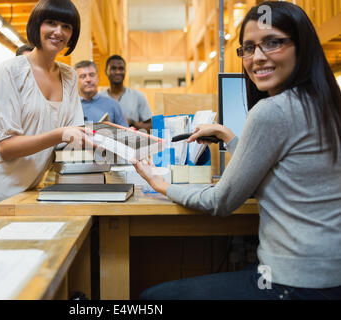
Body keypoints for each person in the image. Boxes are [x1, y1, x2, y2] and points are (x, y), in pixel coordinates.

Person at [132, 1, 341, 300]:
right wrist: (230, 137)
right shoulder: (325, 104)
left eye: (272, 43)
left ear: (301, 46)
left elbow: (221, 201)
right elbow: (286, 171)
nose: (257, 57)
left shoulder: (273, 110)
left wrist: (161, 184)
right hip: (328, 277)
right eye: (248, 48)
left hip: (294, 284)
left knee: (152, 298)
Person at [0, 0, 92, 234]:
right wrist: (60, 134)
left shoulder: (69, 76)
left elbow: (73, 137)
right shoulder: (11, 71)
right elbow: (5, 147)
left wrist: (112, 139)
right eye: (51, 23)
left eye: (66, 26)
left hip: (20, 195)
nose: (59, 31)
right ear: (37, 25)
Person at [100, 55, 153, 131]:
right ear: (106, 71)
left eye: (121, 69)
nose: (117, 72)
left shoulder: (138, 96)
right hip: (105, 142)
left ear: (125, 71)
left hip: (132, 141)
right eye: (113, 68)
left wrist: (132, 122)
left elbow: (150, 126)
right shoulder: (99, 98)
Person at [74, 60, 128, 127]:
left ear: (98, 78)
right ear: (75, 80)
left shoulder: (113, 105)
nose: (88, 80)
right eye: (83, 76)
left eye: (92, 75)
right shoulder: (69, 106)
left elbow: (125, 133)